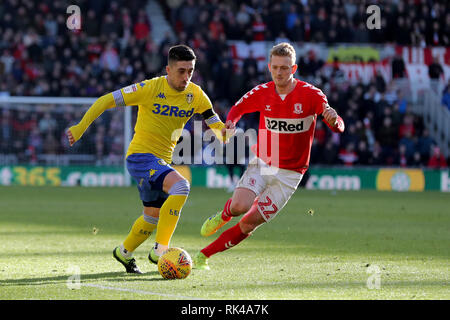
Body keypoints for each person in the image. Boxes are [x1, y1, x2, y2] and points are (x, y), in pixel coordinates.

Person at [67, 45, 231, 273]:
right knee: (181, 186)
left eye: (190, 71)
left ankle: (123, 253)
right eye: (181, 71)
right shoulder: (150, 88)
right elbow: (105, 100)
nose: (186, 77)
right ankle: (160, 251)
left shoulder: (196, 95)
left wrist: (226, 132)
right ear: (168, 69)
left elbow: (216, 126)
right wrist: (80, 127)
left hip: (161, 162)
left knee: (151, 217)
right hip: (140, 157)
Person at [193, 42, 345, 270]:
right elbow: (237, 108)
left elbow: (336, 124)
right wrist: (231, 123)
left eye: (284, 68)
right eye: (275, 67)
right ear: (269, 67)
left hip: (290, 175)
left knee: (248, 223)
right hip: (264, 163)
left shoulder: (311, 95)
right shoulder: (262, 92)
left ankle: (204, 255)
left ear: (293, 69)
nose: (279, 72)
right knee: (239, 207)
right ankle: (224, 215)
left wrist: (336, 121)